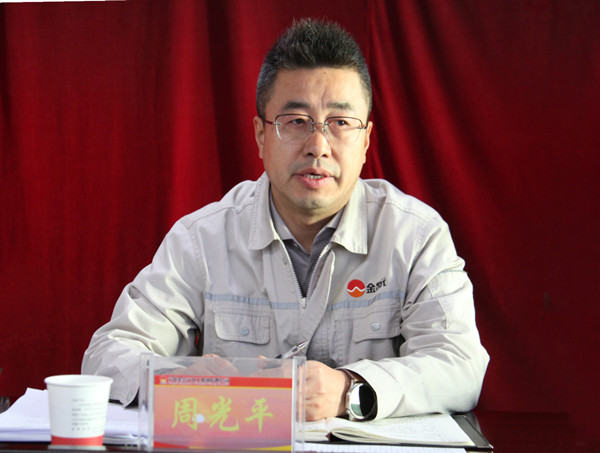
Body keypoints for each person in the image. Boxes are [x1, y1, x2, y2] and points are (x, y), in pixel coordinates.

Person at [82, 18, 489, 422]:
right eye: (296, 122)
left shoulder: (415, 236)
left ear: (365, 140)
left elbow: (460, 363)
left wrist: (350, 389)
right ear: (261, 135)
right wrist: (180, 379)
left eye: (340, 123)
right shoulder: (201, 239)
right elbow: (107, 355)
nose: (318, 146)